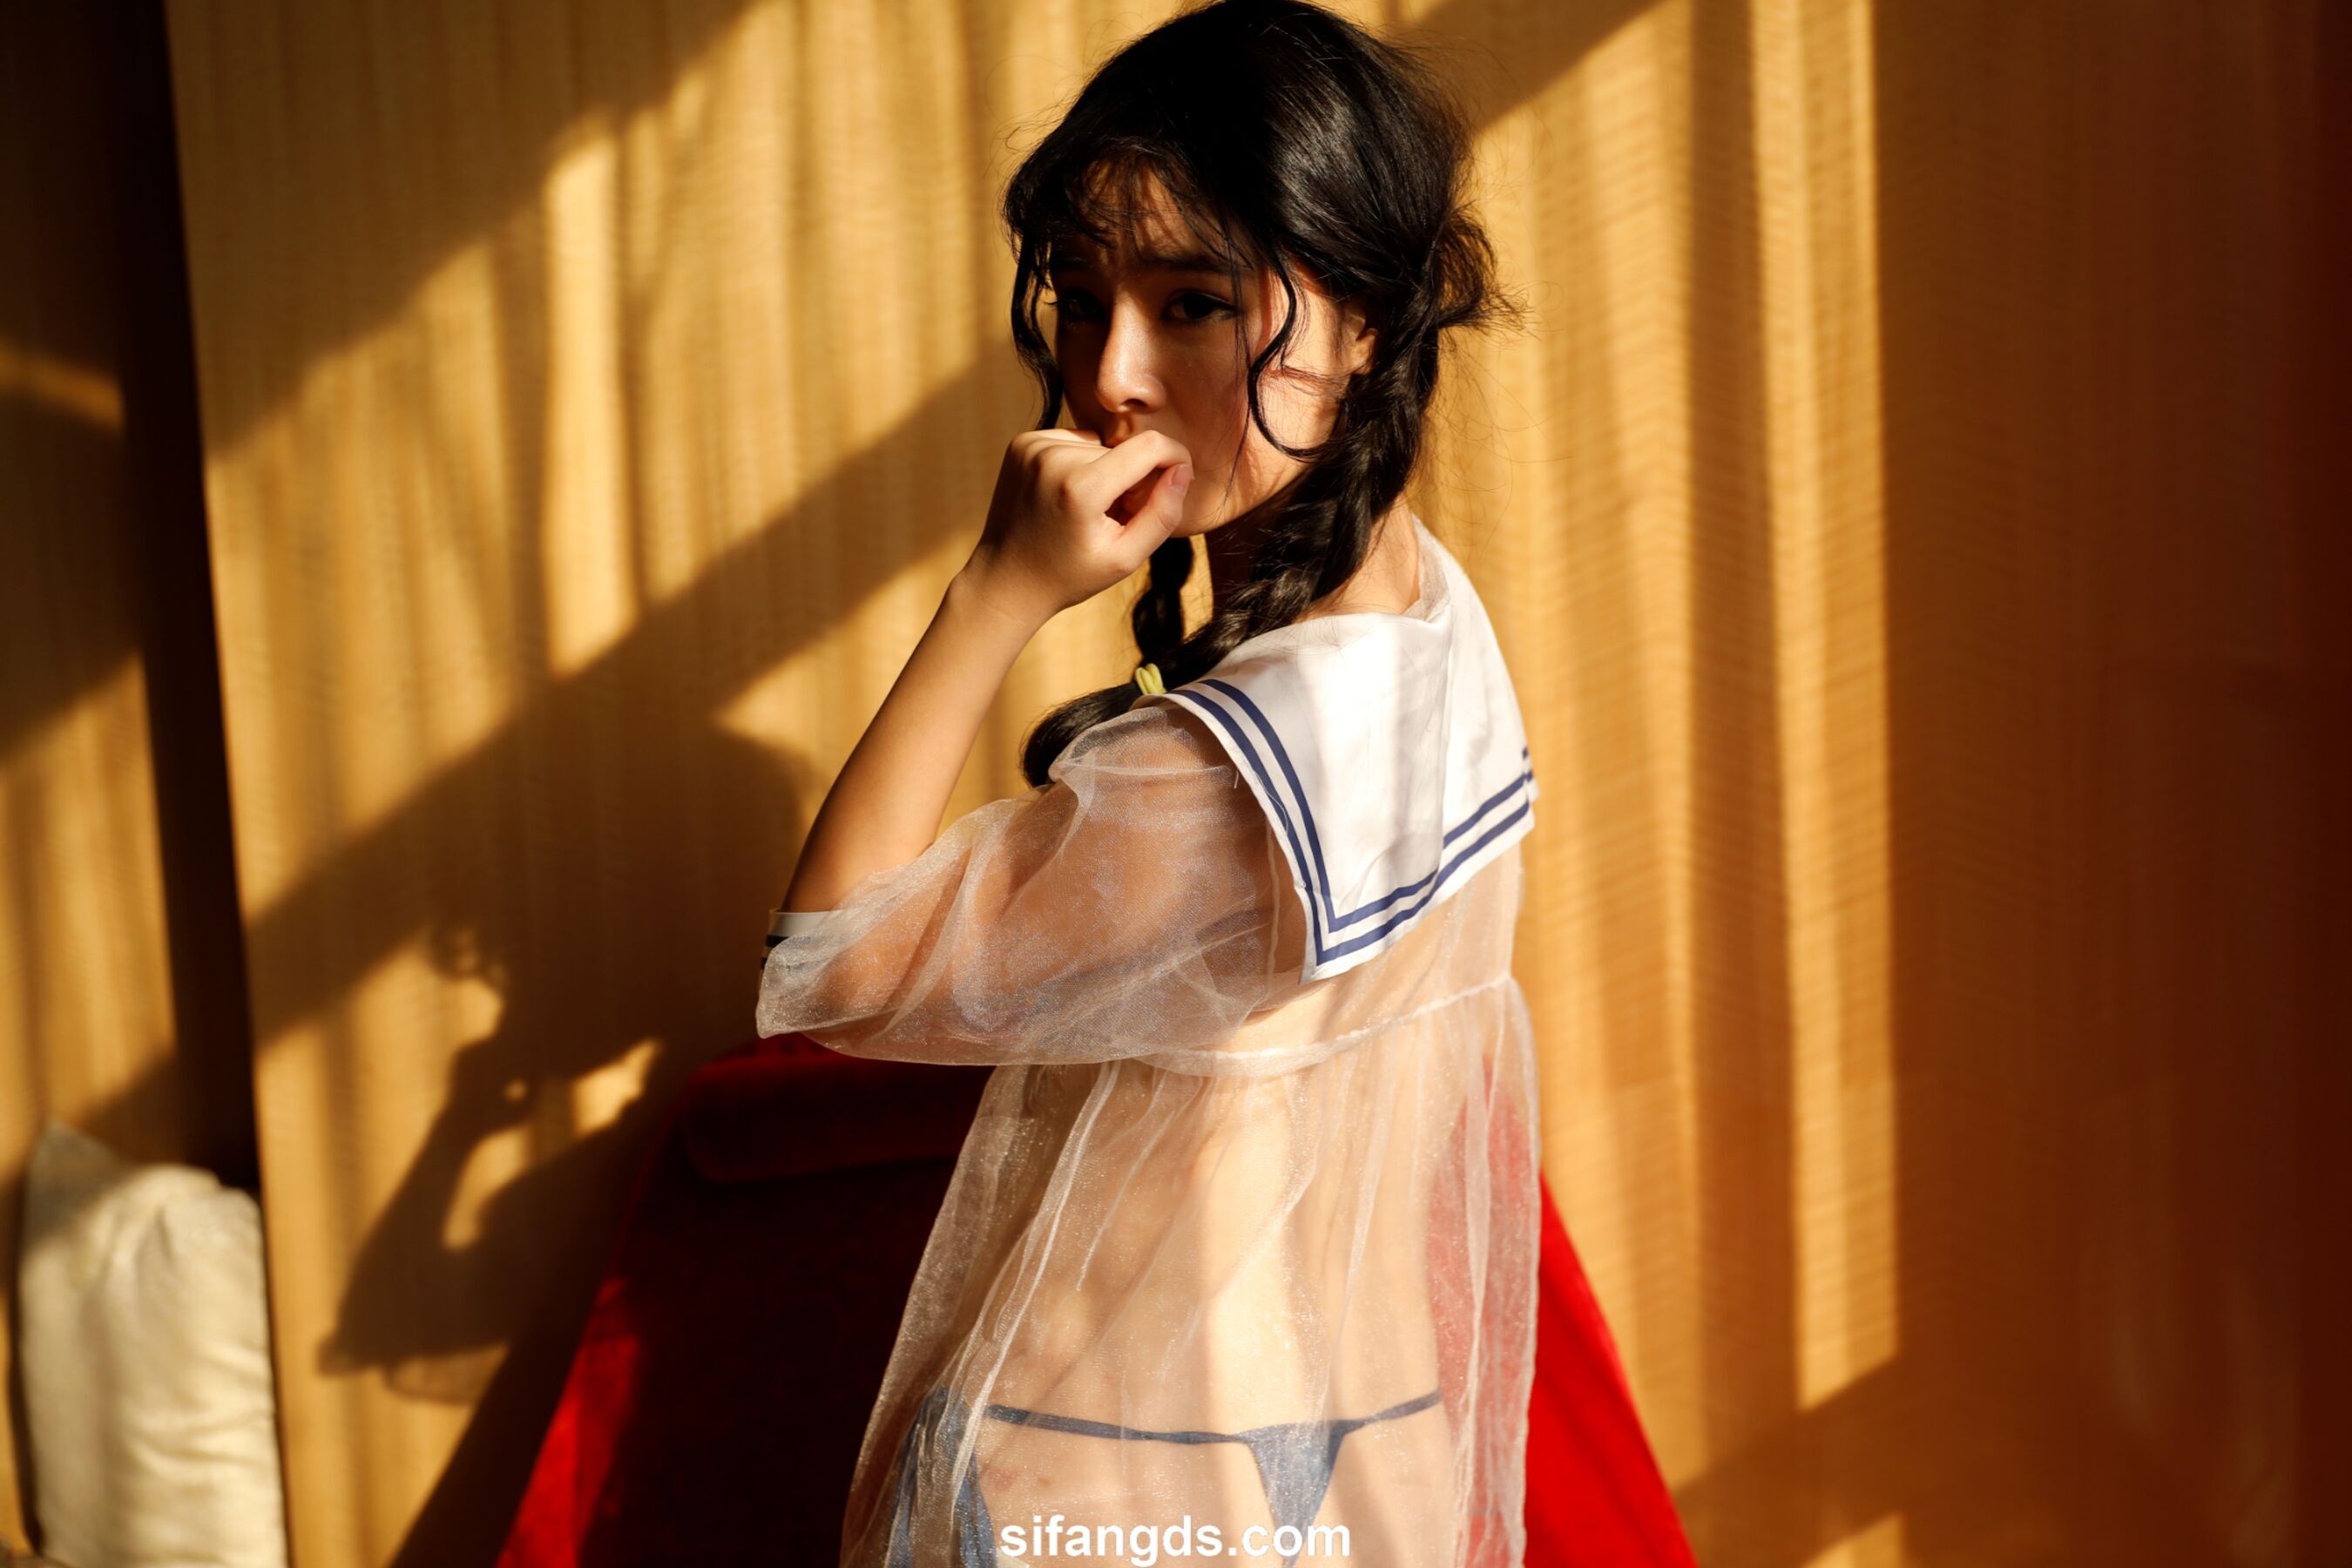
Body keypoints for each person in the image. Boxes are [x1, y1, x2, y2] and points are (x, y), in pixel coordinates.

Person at [758, 3, 1549, 1563]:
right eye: (1079, 298)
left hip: (1118, 1472)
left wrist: (994, 589)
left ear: (1370, 317)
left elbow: (824, 967)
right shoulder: (1428, 620)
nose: (1109, 375)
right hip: (1371, 1440)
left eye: (1192, 303)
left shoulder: (1227, 770)